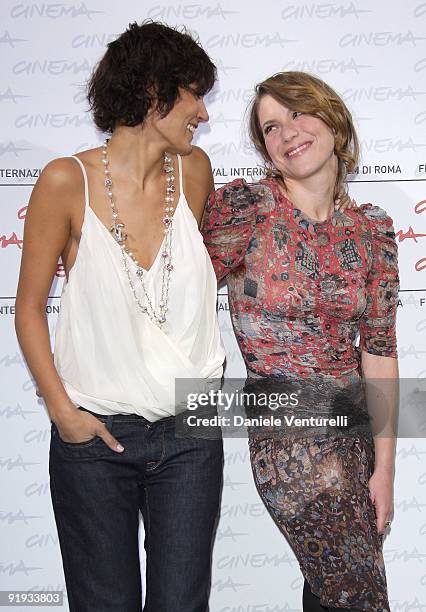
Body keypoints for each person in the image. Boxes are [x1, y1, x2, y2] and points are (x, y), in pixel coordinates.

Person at [15, 21, 225, 612]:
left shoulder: (195, 173)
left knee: (182, 603)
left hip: (190, 433)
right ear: (154, 93)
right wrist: (64, 414)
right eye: (194, 93)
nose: (204, 113)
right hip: (96, 439)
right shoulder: (65, 181)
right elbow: (28, 309)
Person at [202, 71, 399, 611]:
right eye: (271, 126)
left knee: (329, 592)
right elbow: (177, 292)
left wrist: (384, 470)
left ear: (332, 119)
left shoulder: (373, 230)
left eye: (297, 113)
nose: (287, 132)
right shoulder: (247, 211)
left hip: (354, 439)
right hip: (290, 442)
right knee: (359, 598)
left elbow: (379, 352)